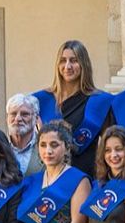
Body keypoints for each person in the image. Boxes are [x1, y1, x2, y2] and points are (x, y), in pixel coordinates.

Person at [32, 40, 113, 174]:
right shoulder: (41, 100)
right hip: (48, 177)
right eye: (63, 60)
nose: (68, 66)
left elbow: (108, 144)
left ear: (84, 64)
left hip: (84, 176)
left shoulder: (100, 102)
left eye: (74, 60)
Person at [6, 93, 42, 175]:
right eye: (13, 114)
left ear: (36, 119)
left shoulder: (45, 146)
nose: (18, 118)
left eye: (24, 114)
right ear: (7, 118)